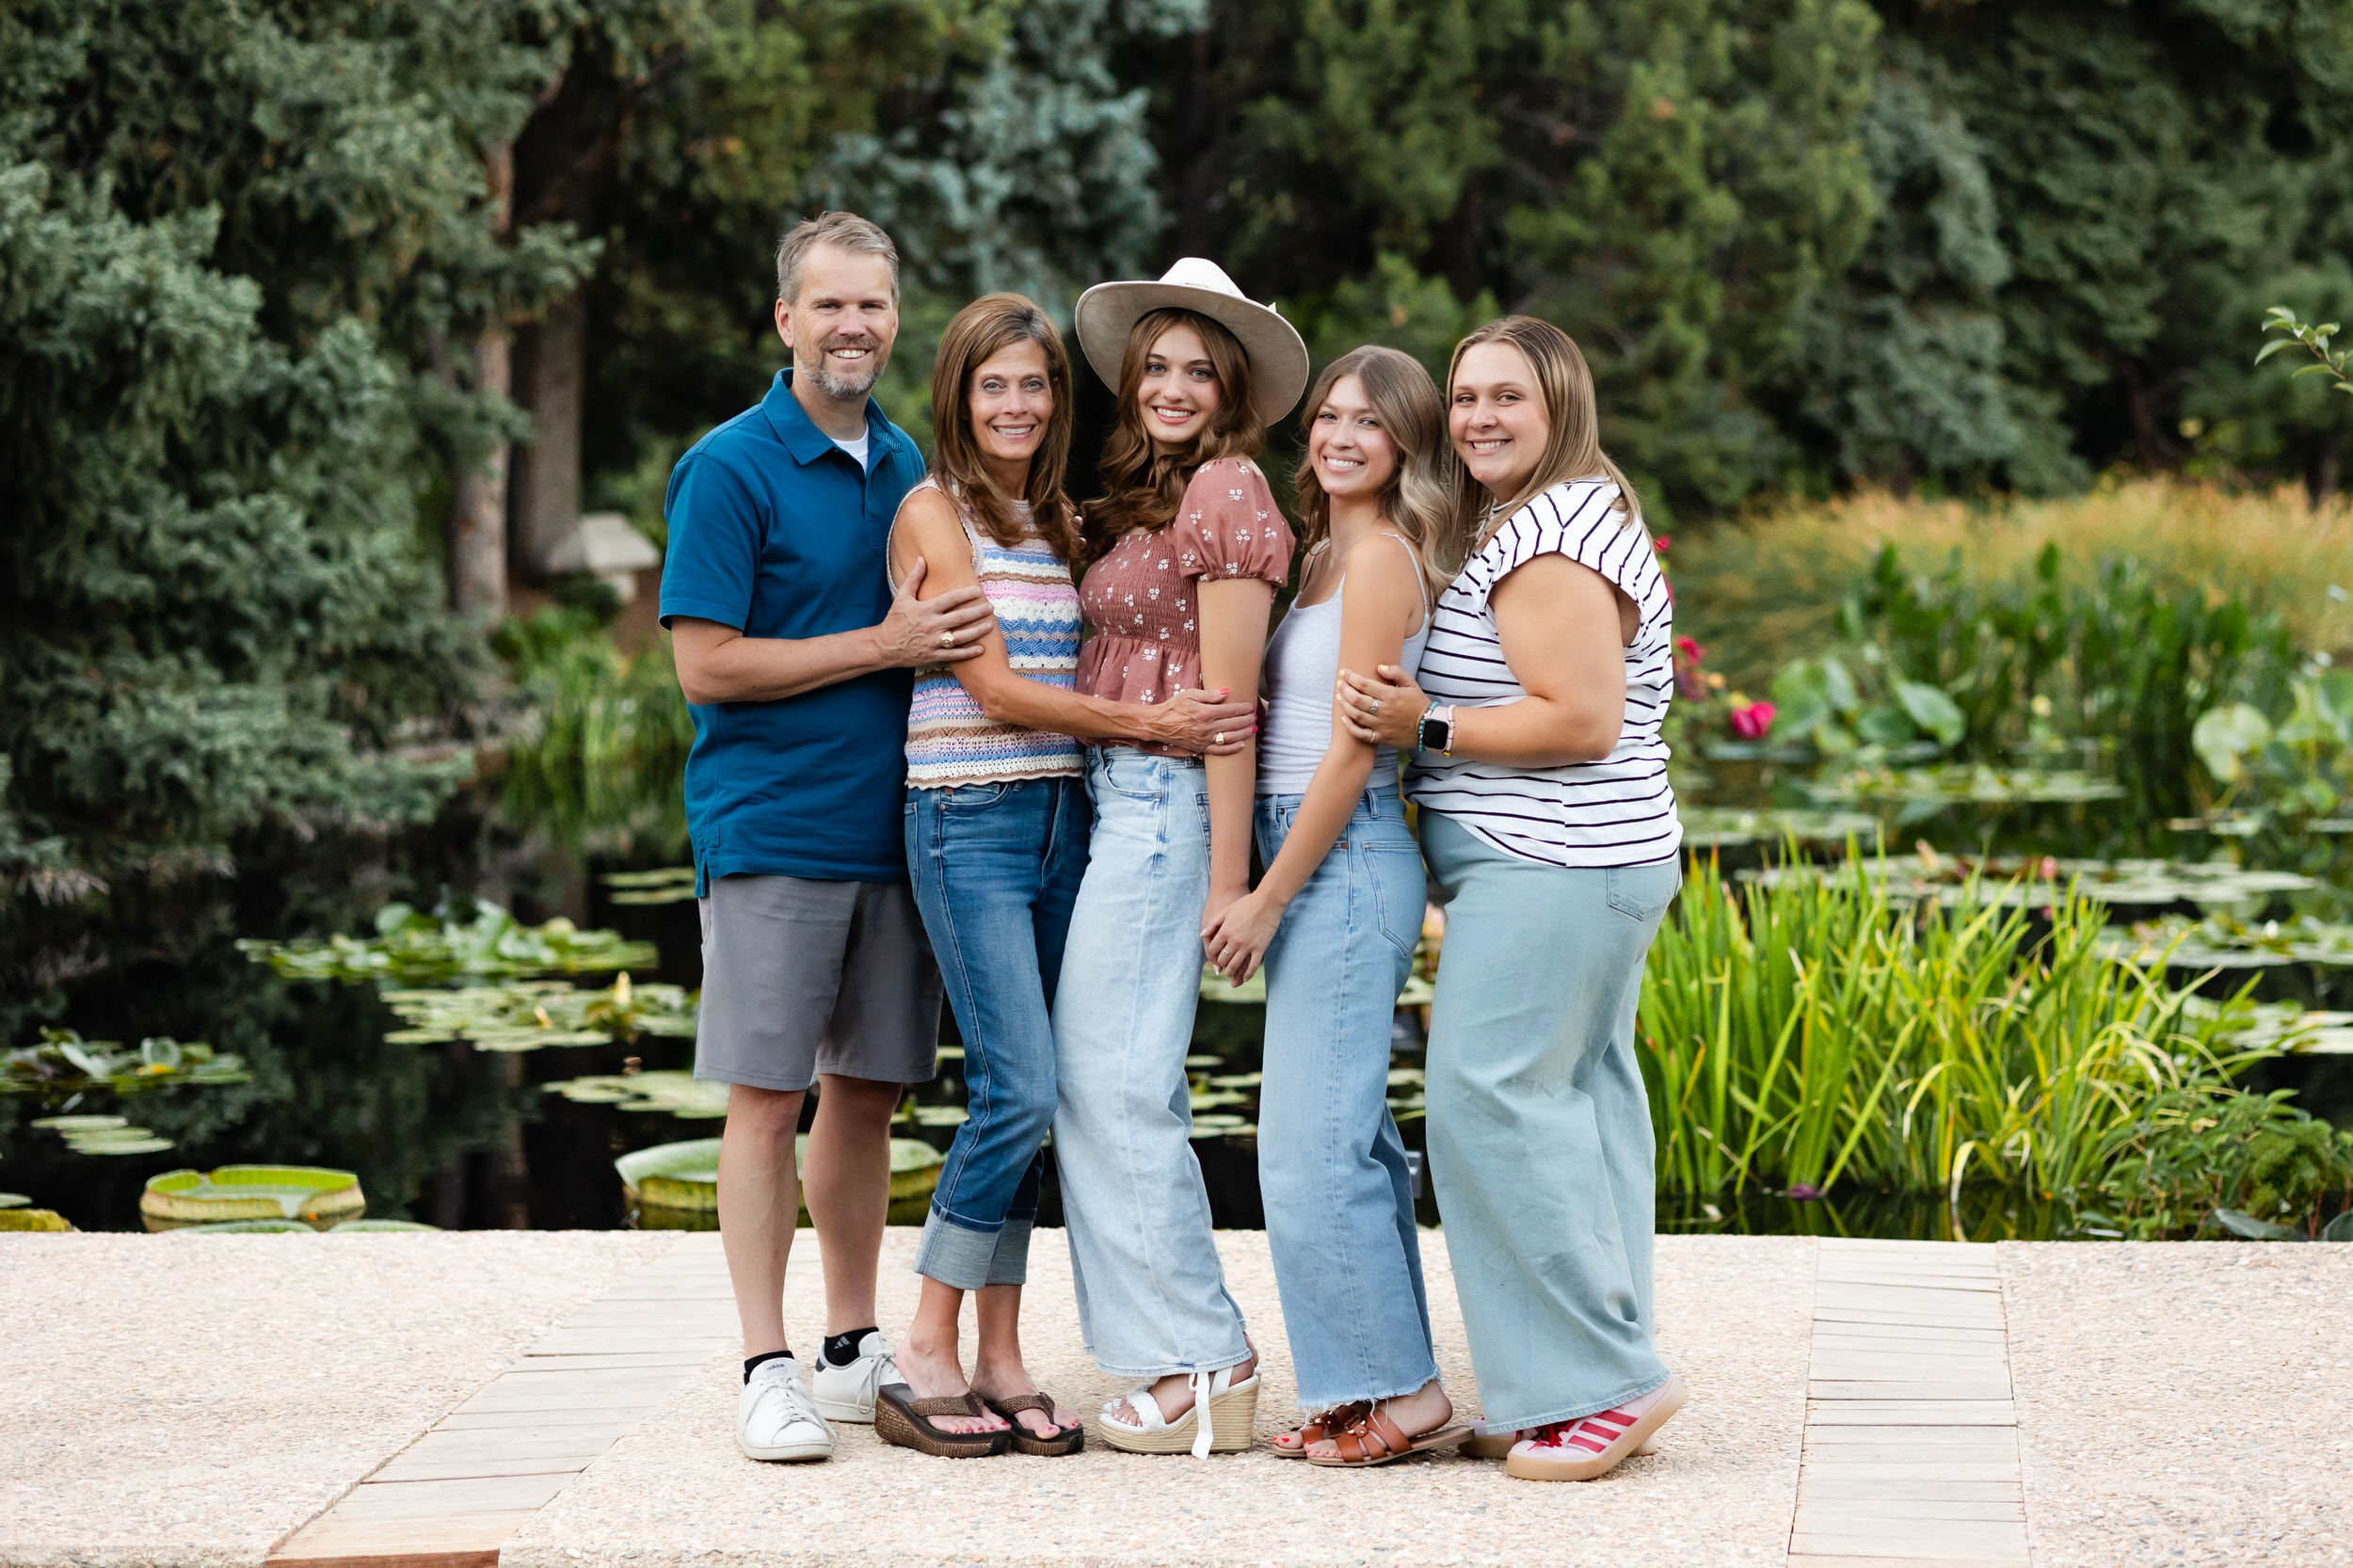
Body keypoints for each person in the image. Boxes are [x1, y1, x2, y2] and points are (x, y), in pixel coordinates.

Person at [873, 295, 1257, 1459]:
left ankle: (1001, 1354)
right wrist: (1146, 723)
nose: (1016, 404)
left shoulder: (1058, 521)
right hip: (965, 818)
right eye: (992, 386)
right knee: (1019, 1087)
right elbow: (989, 688)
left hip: (1062, 821)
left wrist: (1128, 740)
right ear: (957, 395)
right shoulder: (931, 513)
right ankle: (928, 1344)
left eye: (1034, 385)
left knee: (1046, 1090)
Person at [1335, 315, 1686, 1482]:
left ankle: (1601, 1383)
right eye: (1466, 395)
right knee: (1575, 1108)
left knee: (1488, 1102)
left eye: (1508, 400)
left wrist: (1420, 722)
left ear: (1559, 411)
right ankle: (1582, 1370)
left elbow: (1579, 718)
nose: (1478, 416)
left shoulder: (1547, 544)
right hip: (1592, 860)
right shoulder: (1564, 511)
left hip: (1556, 862)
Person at [662, 212, 988, 1466]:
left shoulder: (907, 462)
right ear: (785, 318)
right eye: (829, 305)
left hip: (897, 829)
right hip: (773, 828)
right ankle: (764, 1362)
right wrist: (883, 646)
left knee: (866, 1091)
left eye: (873, 306)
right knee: (764, 1094)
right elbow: (709, 665)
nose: (854, 326)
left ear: (893, 319)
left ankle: (854, 1344)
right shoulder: (731, 465)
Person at [1050, 258, 1305, 1457]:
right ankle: (1172, 1350)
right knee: (1099, 1075)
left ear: (1231, 390)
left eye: (1198, 371)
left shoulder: (1227, 490)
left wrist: (1227, 882)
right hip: (1122, 797)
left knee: (1115, 1078)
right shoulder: (1148, 500)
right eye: (1155, 365)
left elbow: (1231, 704)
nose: (1170, 385)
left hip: (1167, 809)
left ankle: (1205, 1354)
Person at [1199, 346, 1471, 1467]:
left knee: (1307, 1145)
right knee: (1347, 1137)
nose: (1340, 436)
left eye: (1369, 421)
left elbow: (1356, 752)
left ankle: (1397, 1391)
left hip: (1344, 857)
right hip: (1302, 848)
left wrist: (1263, 896)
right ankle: (1372, 1381)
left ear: (1406, 442)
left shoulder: (1383, 562)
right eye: (1327, 417)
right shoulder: (1317, 556)